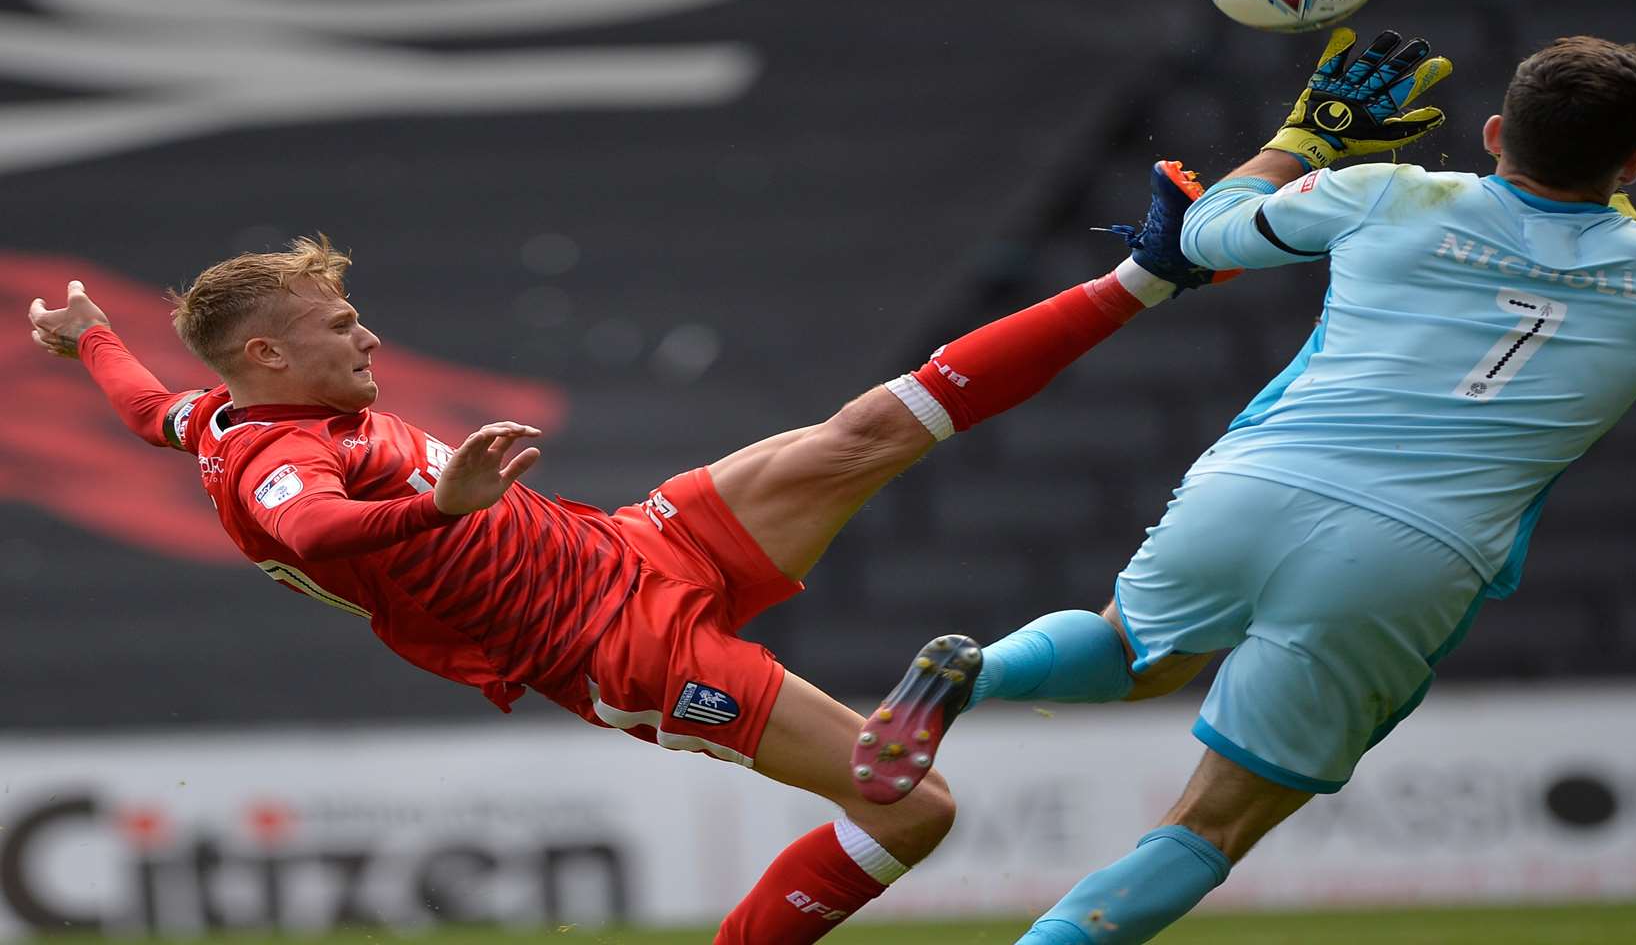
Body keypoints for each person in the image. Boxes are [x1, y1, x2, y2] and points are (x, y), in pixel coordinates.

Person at [23, 160, 1228, 944]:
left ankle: (1144, 275)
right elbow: (315, 528)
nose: (369, 334)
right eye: (341, 326)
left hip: (633, 544)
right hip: (614, 646)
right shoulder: (278, 463)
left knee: (868, 430)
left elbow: (146, 408)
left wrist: (89, 341)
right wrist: (442, 504)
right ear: (272, 357)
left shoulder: (218, 416)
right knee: (912, 809)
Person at [856, 28, 1636, 944]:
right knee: (1211, 825)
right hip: (1411, 556)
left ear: (1489, 134)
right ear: (1633, 164)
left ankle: (978, 671)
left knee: (1129, 656)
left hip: (1256, 485)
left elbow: (1200, 234)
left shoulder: (1387, 192)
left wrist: (1302, 143)